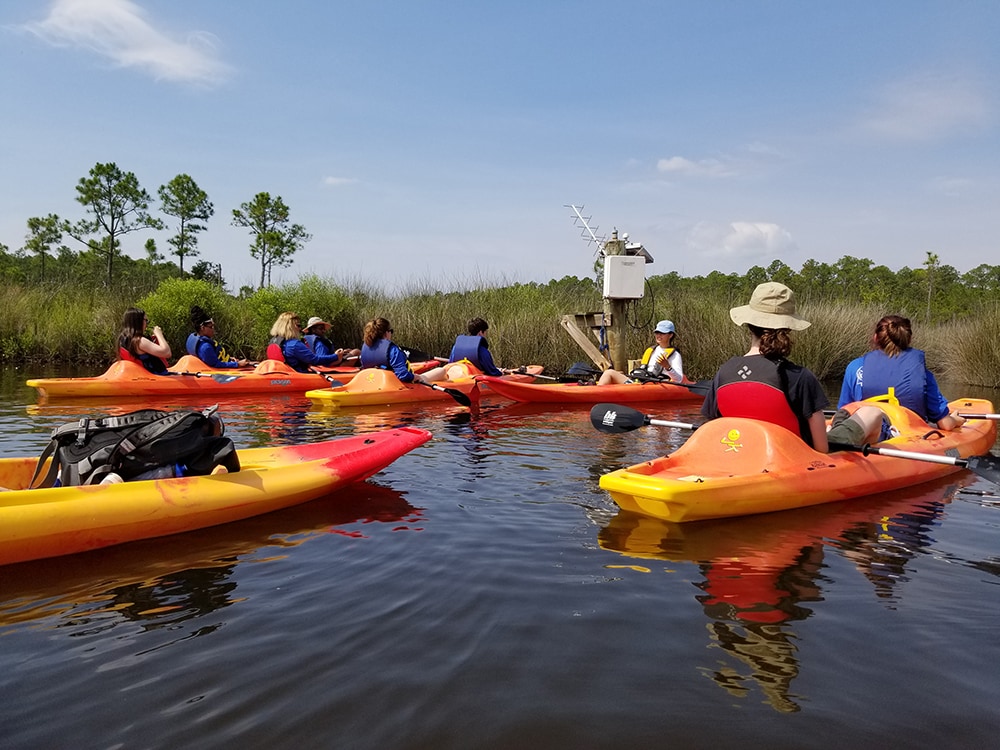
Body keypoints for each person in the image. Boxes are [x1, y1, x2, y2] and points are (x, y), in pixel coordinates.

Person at [700, 282, 884, 452]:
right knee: (872, 413)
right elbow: (821, 448)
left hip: (744, 452)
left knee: (843, 417)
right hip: (797, 458)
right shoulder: (799, 376)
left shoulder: (724, 372)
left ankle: (841, 419)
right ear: (787, 329)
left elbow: (714, 427)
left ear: (749, 326)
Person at [837, 314, 965, 431]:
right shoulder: (922, 373)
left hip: (867, 436)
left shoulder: (855, 367)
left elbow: (845, 412)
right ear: (909, 340)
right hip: (908, 437)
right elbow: (945, 424)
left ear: (876, 338)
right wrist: (955, 420)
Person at [360, 317, 446, 383]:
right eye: (391, 331)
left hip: (374, 382)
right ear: (386, 333)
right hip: (398, 384)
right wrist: (415, 377)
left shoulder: (367, 348)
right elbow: (403, 376)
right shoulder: (392, 350)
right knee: (441, 371)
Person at [598, 319, 684, 385]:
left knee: (609, 373)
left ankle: (596, 396)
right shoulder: (652, 350)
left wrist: (668, 367)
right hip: (641, 381)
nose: (658, 335)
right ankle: (598, 394)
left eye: (662, 333)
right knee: (611, 373)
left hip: (654, 385)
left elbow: (679, 379)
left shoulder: (675, 355)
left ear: (670, 335)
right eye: (657, 332)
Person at [266, 312, 343, 372]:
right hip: (299, 375)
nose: (300, 329)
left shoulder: (273, 341)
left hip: (283, 373)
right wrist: (336, 356)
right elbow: (315, 360)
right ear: (291, 327)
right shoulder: (294, 344)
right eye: (298, 325)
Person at [118, 307, 171, 375]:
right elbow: (167, 353)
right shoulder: (139, 341)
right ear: (139, 321)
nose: (147, 323)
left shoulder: (122, 339)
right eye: (146, 320)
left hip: (140, 375)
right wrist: (159, 334)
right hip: (154, 377)